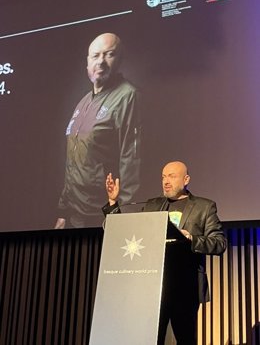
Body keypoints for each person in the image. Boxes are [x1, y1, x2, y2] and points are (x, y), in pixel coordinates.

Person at [102, 161, 226, 345]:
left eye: (172, 176)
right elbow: (129, 231)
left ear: (186, 179)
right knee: (151, 339)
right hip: (152, 286)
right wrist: (113, 204)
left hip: (185, 286)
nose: (166, 181)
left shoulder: (204, 207)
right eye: (163, 176)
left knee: (185, 338)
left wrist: (191, 238)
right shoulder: (153, 205)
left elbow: (219, 243)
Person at [55, 33, 141, 229]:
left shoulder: (128, 96)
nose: (101, 62)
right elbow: (74, 162)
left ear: (119, 60)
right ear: (87, 63)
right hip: (76, 213)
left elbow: (132, 159)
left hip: (102, 214)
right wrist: (63, 211)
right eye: (95, 56)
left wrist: (124, 216)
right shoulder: (83, 102)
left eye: (109, 54)